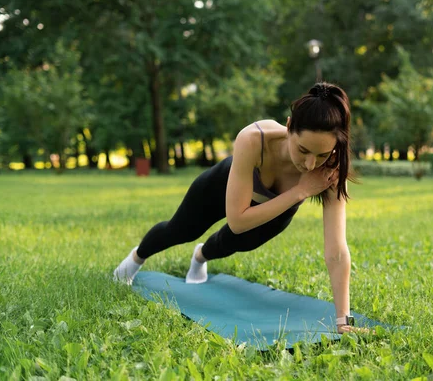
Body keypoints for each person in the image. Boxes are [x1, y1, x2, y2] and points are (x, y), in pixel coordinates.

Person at [114, 82, 358, 333]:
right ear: (288, 127)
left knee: (233, 243)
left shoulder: (330, 174)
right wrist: (302, 191)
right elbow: (237, 220)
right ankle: (137, 257)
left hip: (277, 209)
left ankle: (200, 256)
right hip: (222, 186)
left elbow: (337, 250)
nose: (309, 164)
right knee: (180, 230)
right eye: (303, 150)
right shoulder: (254, 138)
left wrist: (343, 322)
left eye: (322, 155)